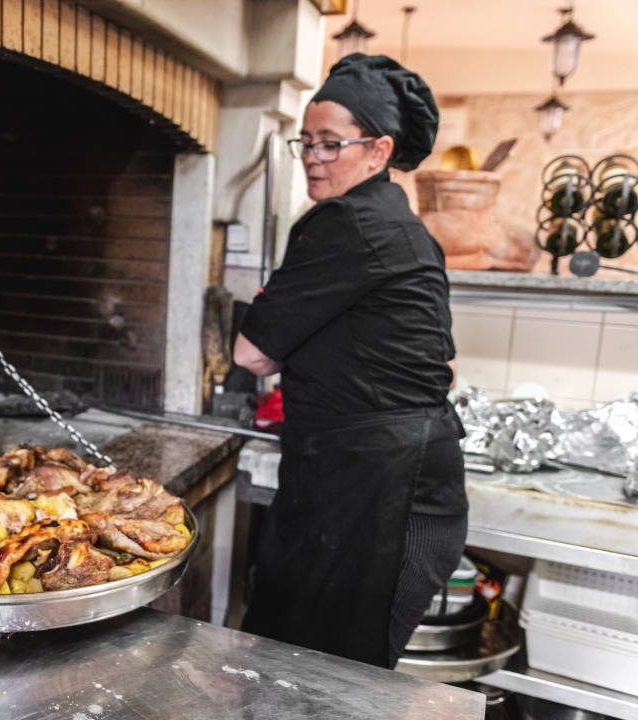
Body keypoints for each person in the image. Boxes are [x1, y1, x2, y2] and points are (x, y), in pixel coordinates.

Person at [235, 53, 468, 670]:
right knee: (302, 663)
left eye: (331, 143)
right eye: (306, 141)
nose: (313, 156)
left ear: (379, 150)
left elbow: (252, 353)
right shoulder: (396, 223)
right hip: (373, 478)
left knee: (332, 677)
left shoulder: (348, 222)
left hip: (379, 494)